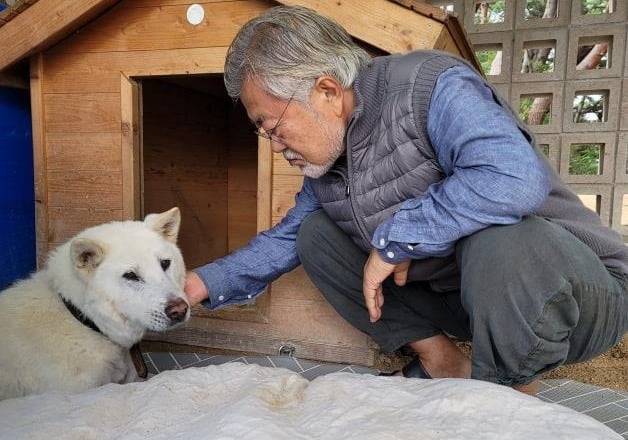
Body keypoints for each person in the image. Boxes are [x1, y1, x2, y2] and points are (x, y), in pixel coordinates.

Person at [185, 5, 627, 394]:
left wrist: (395, 240)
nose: (274, 145)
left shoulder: (430, 86)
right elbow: (283, 241)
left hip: (576, 296)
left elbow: (512, 177)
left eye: (273, 126)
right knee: (315, 236)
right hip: (471, 303)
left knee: (501, 237)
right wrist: (200, 283)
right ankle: (444, 363)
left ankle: (508, 395)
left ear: (326, 91)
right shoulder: (329, 163)